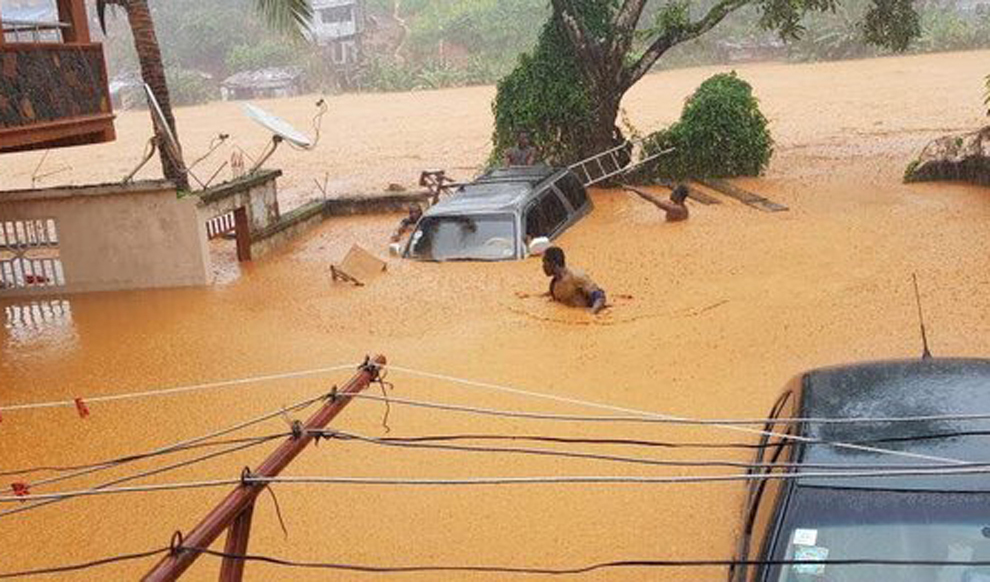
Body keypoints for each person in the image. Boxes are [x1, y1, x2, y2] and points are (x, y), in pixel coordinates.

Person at [542, 246, 606, 314]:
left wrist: (591, 314)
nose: (543, 267)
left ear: (553, 263)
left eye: (544, 263)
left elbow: (600, 297)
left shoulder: (577, 277)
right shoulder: (554, 284)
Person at [624, 184, 690, 222]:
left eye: (674, 192)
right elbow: (655, 198)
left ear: (679, 196)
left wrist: (633, 189)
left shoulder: (676, 209)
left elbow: (652, 198)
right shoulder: (681, 207)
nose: (671, 193)